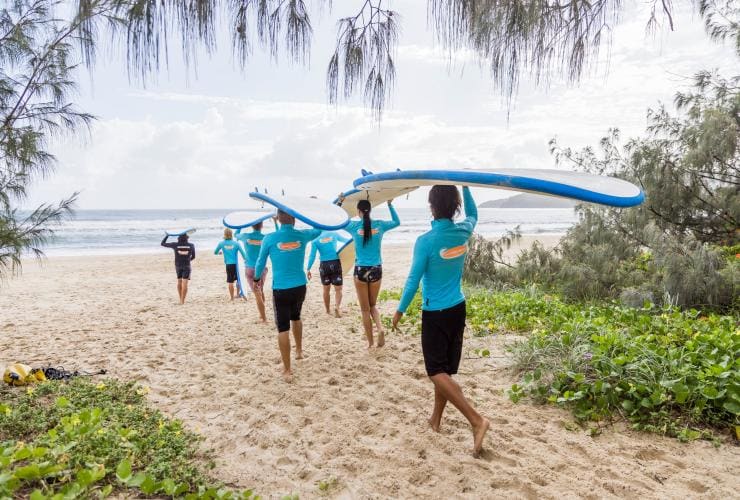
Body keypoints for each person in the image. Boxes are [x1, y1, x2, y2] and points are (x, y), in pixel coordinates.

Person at [391, 185, 489, 456]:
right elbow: (474, 213)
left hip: (435, 312)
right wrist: (465, 185)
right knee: (444, 371)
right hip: (458, 308)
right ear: (455, 205)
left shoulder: (426, 241)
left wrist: (400, 310)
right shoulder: (464, 230)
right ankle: (435, 419)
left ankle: (477, 420)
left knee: (436, 371)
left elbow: (413, 280)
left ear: (431, 206)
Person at [253, 210, 320, 379]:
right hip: (299, 286)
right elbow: (319, 229)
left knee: (283, 328)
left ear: (279, 219)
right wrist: (311, 212)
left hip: (281, 289)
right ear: (294, 219)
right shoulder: (303, 235)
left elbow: (261, 261)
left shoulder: (269, 238)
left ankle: (287, 369)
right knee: (296, 317)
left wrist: (256, 278)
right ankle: (299, 350)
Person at [343, 199, 400, 349]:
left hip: (361, 270)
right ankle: (380, 329)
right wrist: (389, 204)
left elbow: (339, 221)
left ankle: (370, 343)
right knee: (373, 305)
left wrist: (341, 203)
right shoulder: (380, 225)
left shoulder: (353, 226)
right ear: (370, 210)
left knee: (364, 309)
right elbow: (396, 221)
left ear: (358, 212)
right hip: (376, 269)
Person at [236, 219, 276, 322]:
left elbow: (236, 234)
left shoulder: (245, 236)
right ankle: (262, 314)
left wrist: (242, 224)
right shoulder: (265, 238)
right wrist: (275, 222)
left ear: (252, 226)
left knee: (257, 293)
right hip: (262, 269)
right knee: (260, 290)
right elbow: (277, 235)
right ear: (262, 225)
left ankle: (263, 318)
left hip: (249, 269)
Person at [306, 230, 351, 317]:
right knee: (338, 289)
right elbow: (346, 241)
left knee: (326, 290)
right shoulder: (333, 233)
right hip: (335, 263)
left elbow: (312, 255)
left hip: (324, 266)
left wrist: (308, 268)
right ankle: (337, 307)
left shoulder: (315, 239)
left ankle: (327, 310)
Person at [161, 233, 195, 305]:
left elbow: (162, 243)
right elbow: (193, 257)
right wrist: (188, 260)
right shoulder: (191, 245)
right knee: (185, 283)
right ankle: (182, 301)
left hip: (178, 266)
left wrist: (168, 235)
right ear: (187, 238)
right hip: (186, 266)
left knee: (179, 282)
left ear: (178, 238)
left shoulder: (175, 245)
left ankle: (180, 300)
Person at [214, 228, 247, 301]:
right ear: (231, 234)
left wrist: (221, 253)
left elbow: (215, 252)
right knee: (238, 279)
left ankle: (232, 298)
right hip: (237, 265)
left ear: (224, 234)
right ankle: (238, 294)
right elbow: (244, 255)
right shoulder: (236, 243)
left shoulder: (221, 243)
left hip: (228, 265)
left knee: (230, 281)